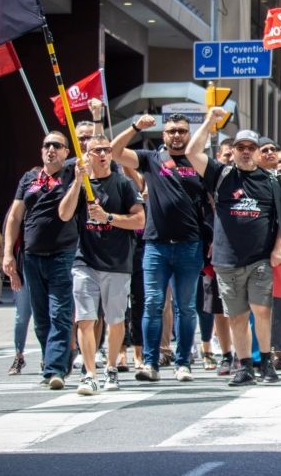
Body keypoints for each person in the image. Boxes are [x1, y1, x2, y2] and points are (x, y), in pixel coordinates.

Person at [187, 111, 281, 386]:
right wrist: (209, 122)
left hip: (260, 260)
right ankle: (244, 366)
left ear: (256, 152)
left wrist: (278, 248)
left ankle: (265, 362)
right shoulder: (220, 174)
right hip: (227, 261)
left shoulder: (270, 181)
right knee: (237, 316)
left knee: (262, 310)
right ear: (232, 151)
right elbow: (192, 151)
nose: (245, 152)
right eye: (240, 148)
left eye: (250, 148)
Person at [110, 114, 205, 383]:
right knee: (152, 304)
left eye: (182, 131)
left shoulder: (199, 161)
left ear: (189, 134)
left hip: (190, 245)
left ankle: (183, 363)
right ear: (163, 135)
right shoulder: (151, 159)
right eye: (172, 131)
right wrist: (135, 127)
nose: (177, 135)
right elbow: (115, 152)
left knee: (185, 308)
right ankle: (150, 363)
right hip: (155, 246)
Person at [58, 135, 145, 395]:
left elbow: (139, 220)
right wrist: (76, 181)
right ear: (87, 155)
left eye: (107, 149)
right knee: (85, 318)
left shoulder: (123, 184)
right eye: (97, 150)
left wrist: (108, 217)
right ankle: (90, 374)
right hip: (85, 260)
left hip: (117, 262)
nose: (104, 154)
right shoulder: (81, 183)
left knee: (115, 319)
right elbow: (64, 214)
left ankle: (111, 368)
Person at [3, 131, 78, 390]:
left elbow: (100, 150)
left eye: (57, 146)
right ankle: (55, 360)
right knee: (42, 317)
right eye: (46, 145)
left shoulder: (72, 175)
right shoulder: (29, 178)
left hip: (62, 254)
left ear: (67, 152)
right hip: (32, 257)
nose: (51, 150)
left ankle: (54, 369)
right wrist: (7, 253)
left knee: (60, 313)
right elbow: (14, 217)